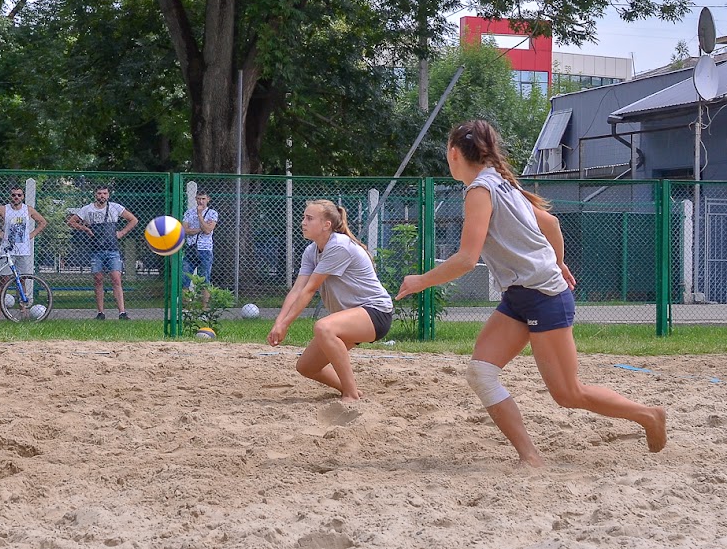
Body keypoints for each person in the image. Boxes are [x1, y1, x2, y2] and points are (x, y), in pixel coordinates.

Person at [396, 119, 666, 466]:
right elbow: (551, 224)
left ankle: (648, 414)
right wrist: (559, 262)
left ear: (453, 154)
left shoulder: (482, 189)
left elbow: (466, 258)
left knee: (569, 393)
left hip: (542, 296)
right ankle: (530, 457)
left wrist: (420, 281)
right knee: (481, 371)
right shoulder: (504, 184)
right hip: (521, 296)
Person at [267, 199, 393, 402]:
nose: (303, 222)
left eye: (309, 218)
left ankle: (351, 395)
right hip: (352, 317)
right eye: (303, 218)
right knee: (306, 367)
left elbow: (309, 290)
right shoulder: (311, 251)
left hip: (376, 313)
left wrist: (286, 325)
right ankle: (351, 389)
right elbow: (297, 290)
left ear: (327, 224)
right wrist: (279, 323)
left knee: (324, 327)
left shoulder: (339, 246)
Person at [67, 185, 138, 320]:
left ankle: (122, 312)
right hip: (96, 249)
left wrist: (122, 232)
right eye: (99, 193)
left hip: (112, 248)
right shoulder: (87, 209)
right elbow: (71, 222)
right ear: (95, 195)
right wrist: (85, 229)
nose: (102, 196)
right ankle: (100, 312)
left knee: (116, 279)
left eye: (105, 193)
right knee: (98, 279)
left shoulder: (115, 207)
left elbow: (133, 219)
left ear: (108, 195)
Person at [0, 186, 48, 318]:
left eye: (19, 195)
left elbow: (42, 222)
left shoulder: (28, 210)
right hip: (7, 250)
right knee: (3, 280)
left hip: (22, 250)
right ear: (10, 196)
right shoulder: (3, 209)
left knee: (21, 279)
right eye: (14, 195)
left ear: (22, 197)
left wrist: (31, 235)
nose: (16, 197)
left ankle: (23, 310)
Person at [182, 191, 219, 307]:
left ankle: (204, 308)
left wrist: (199, 215)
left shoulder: (212, 213)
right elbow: (185, 230)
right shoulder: (189, 213)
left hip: (205, 250)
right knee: (184, 278)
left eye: (203, 199)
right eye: (198, 199)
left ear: (208, 199)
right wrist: (200, 229)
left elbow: (208, 230)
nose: (200, 201)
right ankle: (187, 308)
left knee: (204, 279)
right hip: (191, 248)